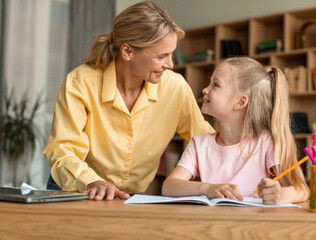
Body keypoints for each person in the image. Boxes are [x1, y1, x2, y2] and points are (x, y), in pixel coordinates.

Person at [43, 1, 214, 201]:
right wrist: (91, 181)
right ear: (127, 51)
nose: (170, 64)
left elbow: (204, 140)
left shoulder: (175, 87)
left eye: (171, 54)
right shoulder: (81, 82)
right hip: (77, 190)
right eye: (162, 56)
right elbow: (63, 149)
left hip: (130, 197)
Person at [162, 57, 309, 205]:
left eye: (215, 85)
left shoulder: (265, 142)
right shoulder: (199, 143)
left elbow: (302, 190)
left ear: (240, 102)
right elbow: (169, 186)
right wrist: (207, 188)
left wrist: (282, 195)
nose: (205, 90)